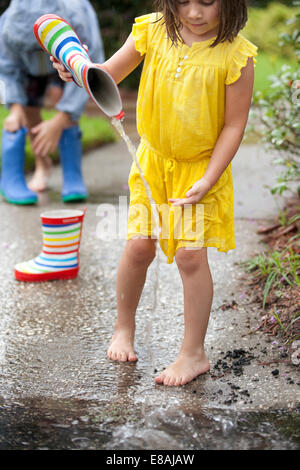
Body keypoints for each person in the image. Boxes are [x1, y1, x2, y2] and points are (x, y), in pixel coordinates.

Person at [53, 0, 258, 386]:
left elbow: (233, 125)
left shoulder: (236, 55)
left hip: (200, 170)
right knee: (138, 247)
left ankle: (193, 353)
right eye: (183, 2)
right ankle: (123, 327)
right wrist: (76, 69)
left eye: (207, 2)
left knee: (190, 257)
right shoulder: (152, 30)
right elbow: (105, 75)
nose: (194, 13)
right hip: (152, 162)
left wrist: (210, 178)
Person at [0, 0, 105, 204]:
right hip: (25, 66)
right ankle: (42, 164)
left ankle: (72, 176)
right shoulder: (7, 27)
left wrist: (61, 119)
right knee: (25, 109)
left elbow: (89, 70)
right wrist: (15, 108)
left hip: (66, 53)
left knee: (67, 102)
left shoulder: (79, 19)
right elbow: (8, 70)